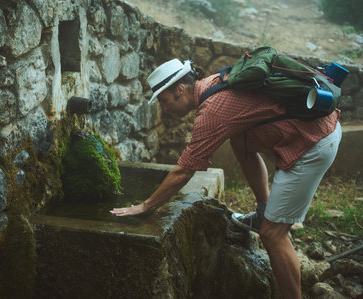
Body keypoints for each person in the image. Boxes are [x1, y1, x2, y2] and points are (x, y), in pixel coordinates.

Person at [110, 58, 341, 298]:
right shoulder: (214, 82)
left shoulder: (211, 112)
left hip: (314, 143)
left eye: (164, 101)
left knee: (273, 234)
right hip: (312, 128)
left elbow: (184, 170)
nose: (164, 109)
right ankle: (263, 211)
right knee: (239, 139)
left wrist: (145, 205)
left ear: (179, 90)